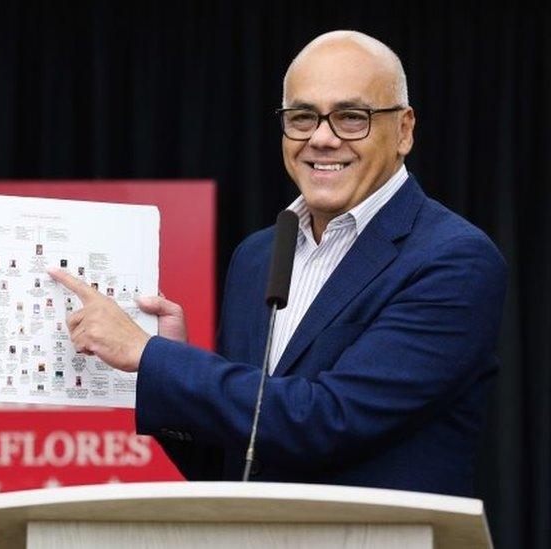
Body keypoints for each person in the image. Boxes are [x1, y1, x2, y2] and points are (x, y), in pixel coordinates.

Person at [48, 30, 506, 497]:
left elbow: (329, 419)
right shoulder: (258, 256)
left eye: (352, 118)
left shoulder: (453, 258)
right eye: (302, 117)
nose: (322, 139)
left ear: (404, 130)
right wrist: (170, 365)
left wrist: (153, 356)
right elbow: (234, 462)